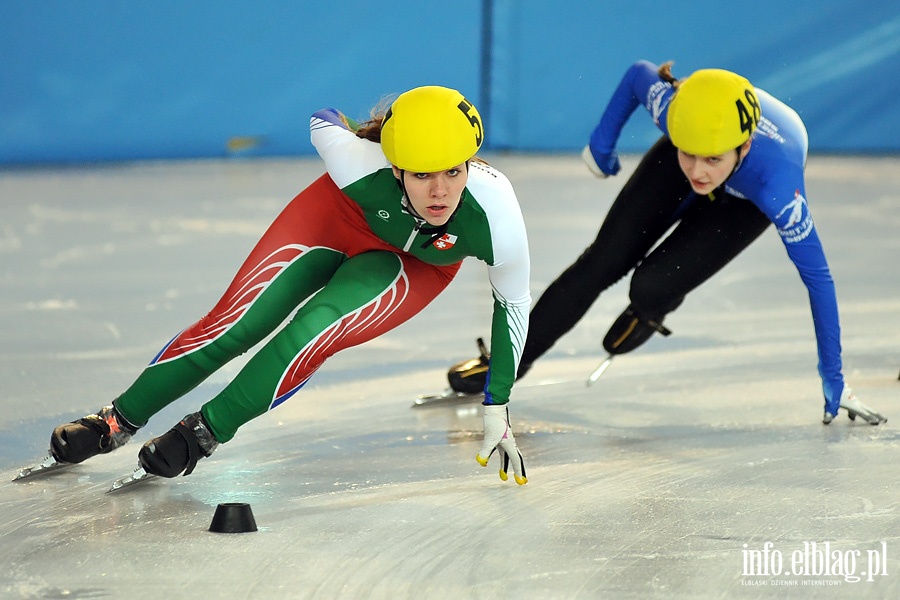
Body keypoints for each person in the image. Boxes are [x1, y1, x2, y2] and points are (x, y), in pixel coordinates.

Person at [47, 86, 531, 485]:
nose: (442, 191)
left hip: (412, 264)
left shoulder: (495, 212)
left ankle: (203, 433)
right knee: (234, 323)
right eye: (423, 174)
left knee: (313, 332)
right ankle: (115, 421)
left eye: (454, 170)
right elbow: (324, 120)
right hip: (337, 218)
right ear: (396, 166)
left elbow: (511, 305)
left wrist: (498, 405)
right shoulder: (359, 163)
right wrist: (366, 130)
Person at [447, 60, 886, 426]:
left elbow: (819, 281)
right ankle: (508, 364)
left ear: (744, 147)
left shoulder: (778, 186)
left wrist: (835, 379)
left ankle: (651, 308)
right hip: (703, 141)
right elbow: (639, 75)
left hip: (743, 200)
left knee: (651, 285)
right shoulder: (677, 112)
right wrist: (602, 145)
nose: (697, 171)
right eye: (688, 153)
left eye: (712, 160)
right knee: (603, 260)